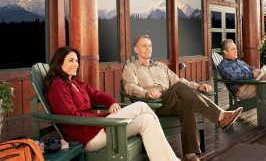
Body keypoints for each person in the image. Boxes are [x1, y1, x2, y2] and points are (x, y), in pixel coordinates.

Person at [44, 46, 180, 161]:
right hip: (86, 136)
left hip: (97, 127)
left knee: (146, 120)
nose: (76, 64)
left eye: (77, 60)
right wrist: (105, 117)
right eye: (71, 60)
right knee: (140, 105)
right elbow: (71, 116)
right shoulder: (58, 86)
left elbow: (98, 95)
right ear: (60, 62)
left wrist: (112, 103)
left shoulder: (76, 83)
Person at [122, 35, 243, 161]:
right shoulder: (131, 68)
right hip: (151, 105)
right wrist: (146, 93)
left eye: (150, 45)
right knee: (179, 87)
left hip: (168, 101)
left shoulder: (160, 66)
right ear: (136, 49)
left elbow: (178, 81)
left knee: (186, 103)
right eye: (144, 46)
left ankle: (189, 155)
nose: (148, 48)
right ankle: (220, 116)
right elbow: (130, 87)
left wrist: (197, 87)